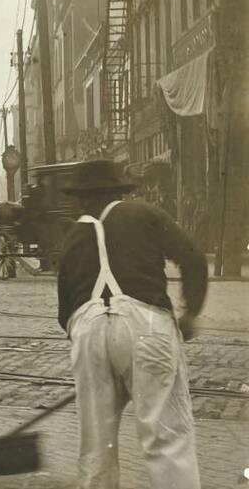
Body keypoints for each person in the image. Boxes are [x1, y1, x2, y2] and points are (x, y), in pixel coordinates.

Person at [57, 159, 207, 489]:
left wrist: (97, 351)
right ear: (118, 191)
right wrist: (191, 311)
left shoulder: (72, 235)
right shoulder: (144, 214)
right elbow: (193, 257)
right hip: (147, 326)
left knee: (96, 446)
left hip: (87, 328)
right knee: (167, 438)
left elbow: (64, 310)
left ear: (82, 198)